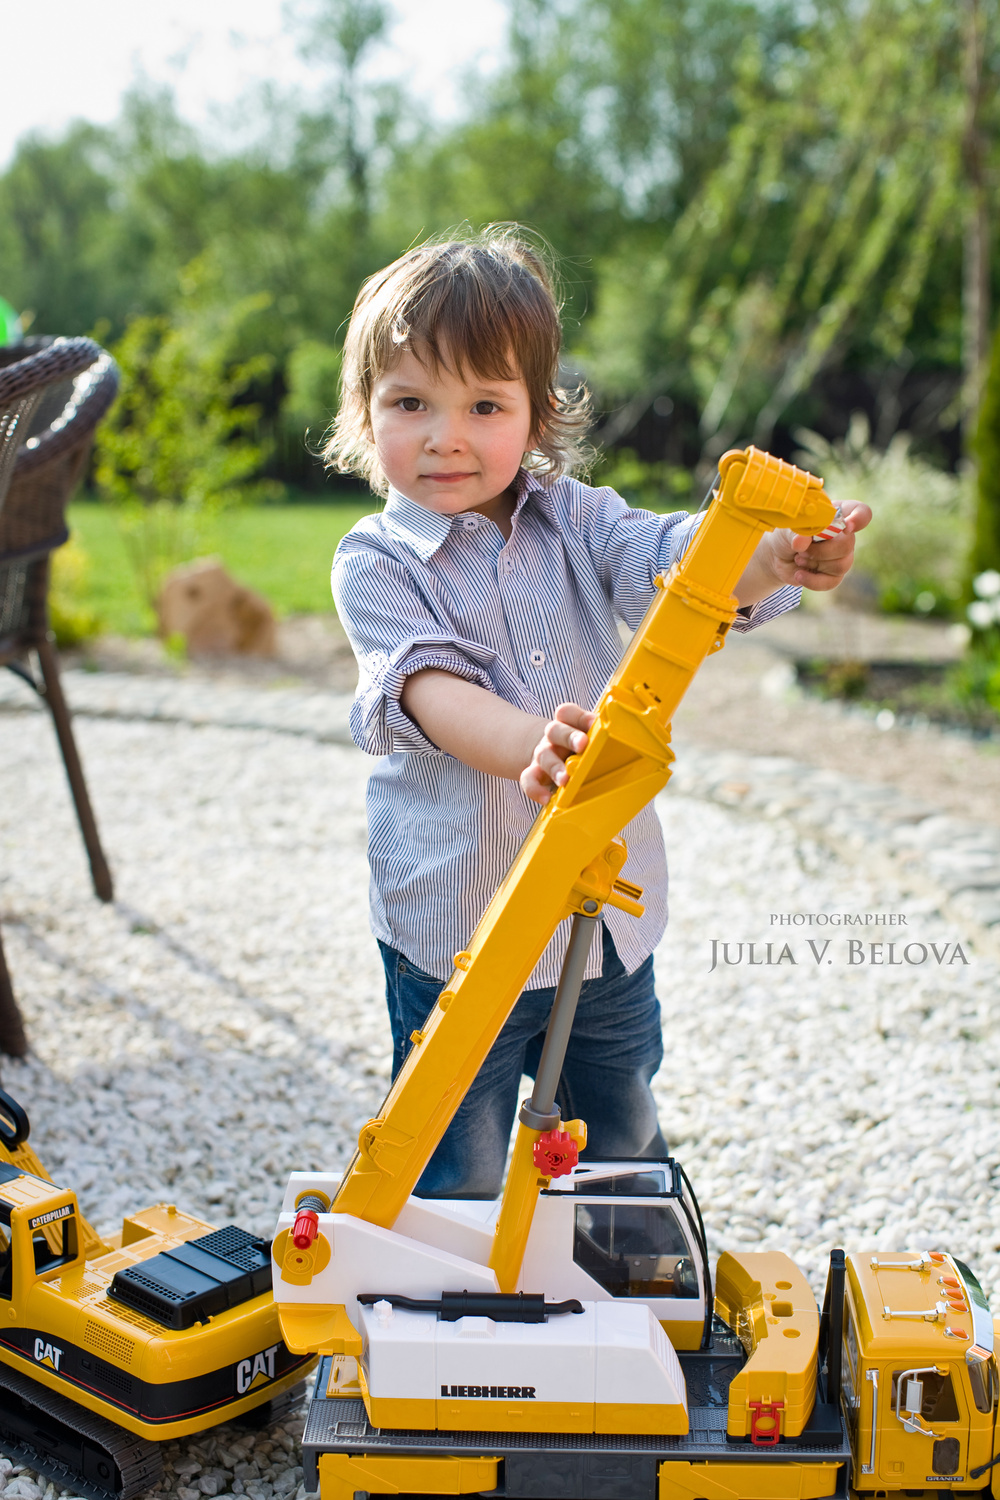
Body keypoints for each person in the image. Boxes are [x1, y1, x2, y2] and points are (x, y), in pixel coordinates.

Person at [328, 228, 870, 1199]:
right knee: (457, 1151)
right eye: (411, 402)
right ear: (367, 416)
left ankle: (618, 1268)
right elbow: (424, 689)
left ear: (536, 419)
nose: (445, 434)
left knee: (617, 1124)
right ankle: (460, 1314)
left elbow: (673, 557)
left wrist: (773, 553)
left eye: (483, 405)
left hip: (598, 930)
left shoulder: (577, 519)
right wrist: (529, 744)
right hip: (457, 922)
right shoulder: (377, 560)